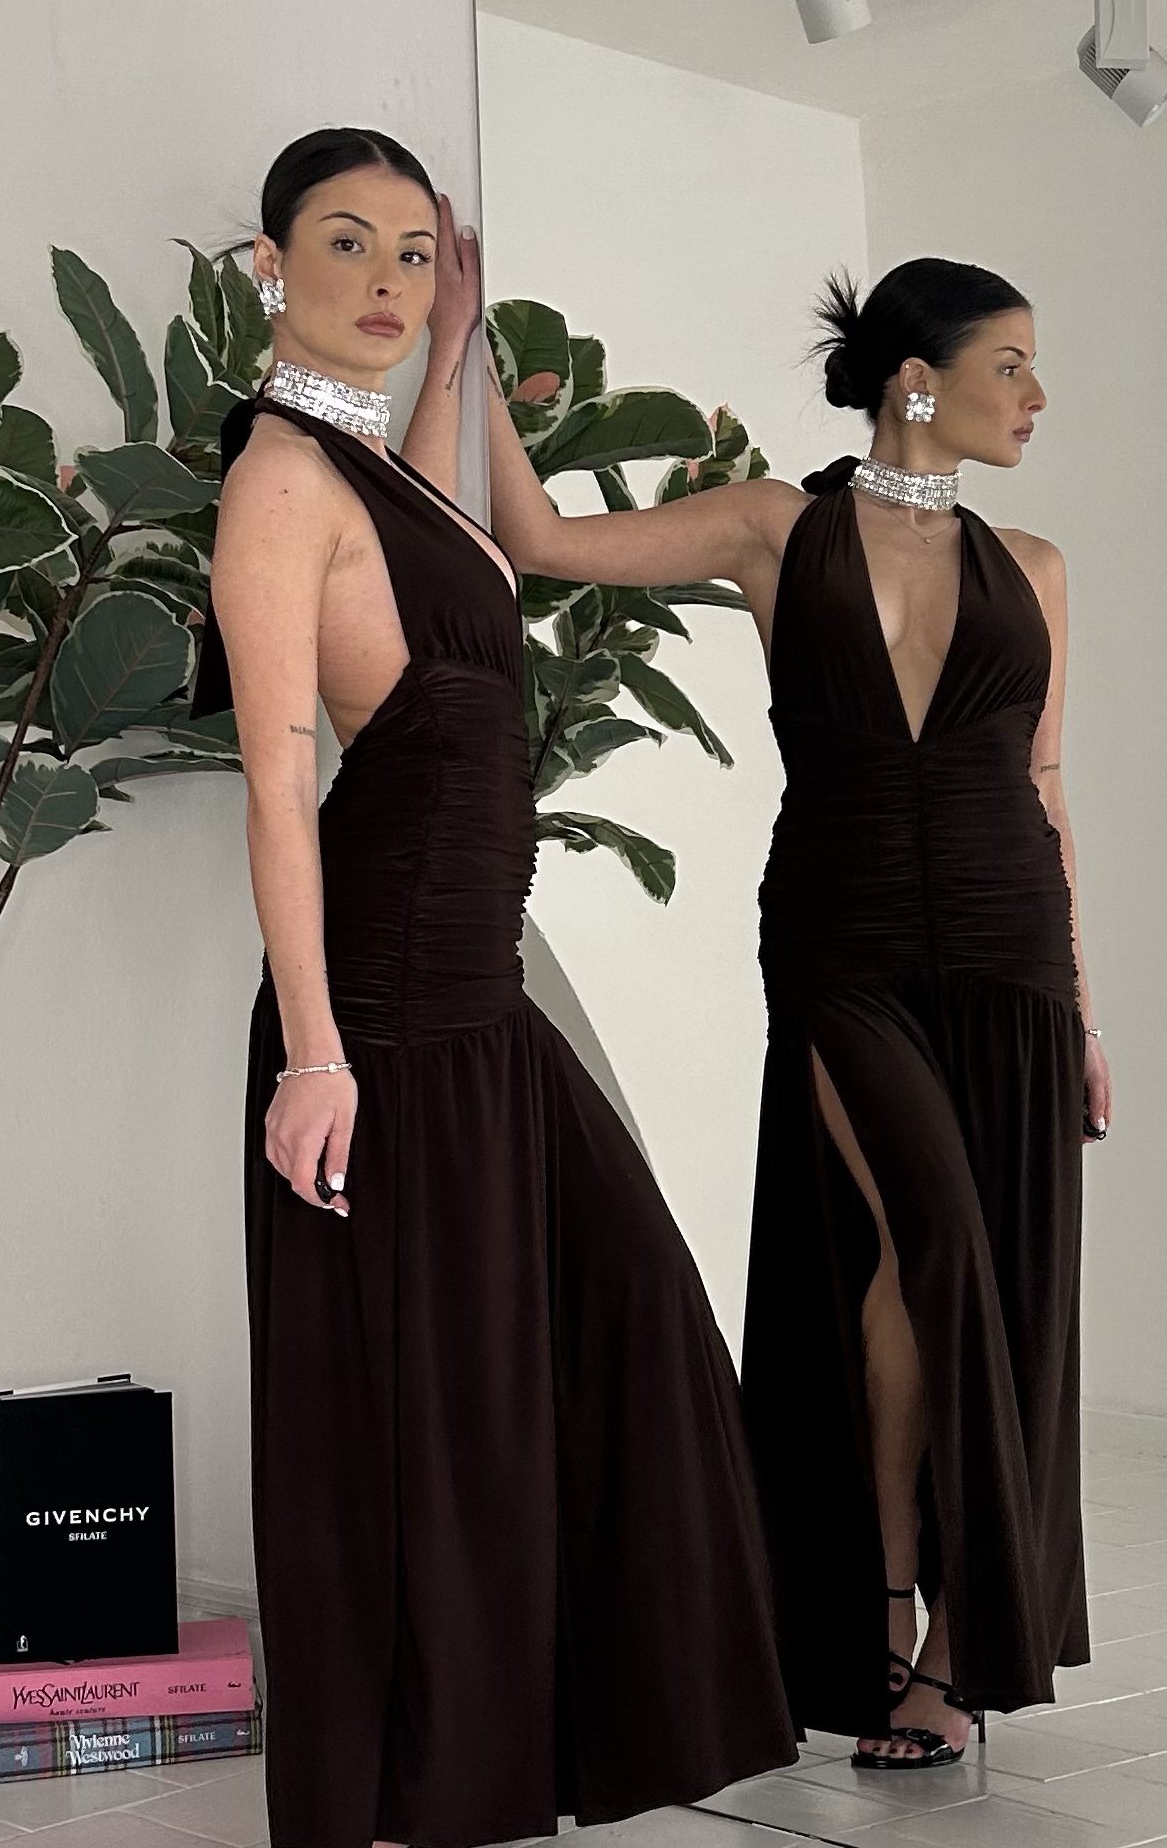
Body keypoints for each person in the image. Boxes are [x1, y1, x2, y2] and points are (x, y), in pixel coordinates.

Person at [190, 128, 797, 1848]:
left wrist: (458, 348)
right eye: (345, 243)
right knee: (424, 1419)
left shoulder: (385, 472)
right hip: (383, 1014)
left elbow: (461, 560)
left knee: (603, 1337)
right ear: (268, 266)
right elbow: (282, 787)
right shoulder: (279, 484)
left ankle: (527, 1735)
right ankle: (408, 1787)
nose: (384, 279)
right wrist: (315, 1053)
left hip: (481, 999)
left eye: (410, 250)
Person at [472, 251, 1110, 1770]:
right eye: (1010, 363)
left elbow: (1044, 786)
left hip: (1011, 945)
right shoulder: (777, 526)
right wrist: (464, 347)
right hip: (844, 939)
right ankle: (881, 1592)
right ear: (918, 379)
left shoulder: (1035, 566)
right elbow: (539, 539)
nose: (1036, 394)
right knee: (932, 1239)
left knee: (967, 1273)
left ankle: (945, 1637)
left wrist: (1084, 1007)